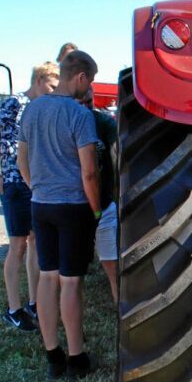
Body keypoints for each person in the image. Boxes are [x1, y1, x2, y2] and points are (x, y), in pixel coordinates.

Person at [18, 50, 100, 378]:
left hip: (41, 204)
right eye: (90, 81)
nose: (89, 87)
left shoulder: (32, 110)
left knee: (46, 277)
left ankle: (52, 354)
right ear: (80, 77)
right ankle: (77, 356)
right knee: (70, 282)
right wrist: (95, 209)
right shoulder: (80, 116)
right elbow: (89, 172)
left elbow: (22, 159)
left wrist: (37, 188)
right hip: (73, 206)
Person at [0, 62, 60, 332]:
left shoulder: (44, 108)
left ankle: (35, 301)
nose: (53, 92)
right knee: (17, 245)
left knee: (36, 242)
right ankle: (14, 308)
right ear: (38, 80)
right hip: (14, 183)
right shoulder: (15, 103)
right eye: (51, 86)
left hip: (37, 183)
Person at [79, 86, 118, 303]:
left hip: (103, 206)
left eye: (89, 102)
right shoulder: (65, 122)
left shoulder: (104, 123)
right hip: (75, 207)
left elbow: (115, 157)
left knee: (112, 267)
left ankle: (121, 313)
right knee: (71, 274)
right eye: (80, 102)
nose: (85, 107)